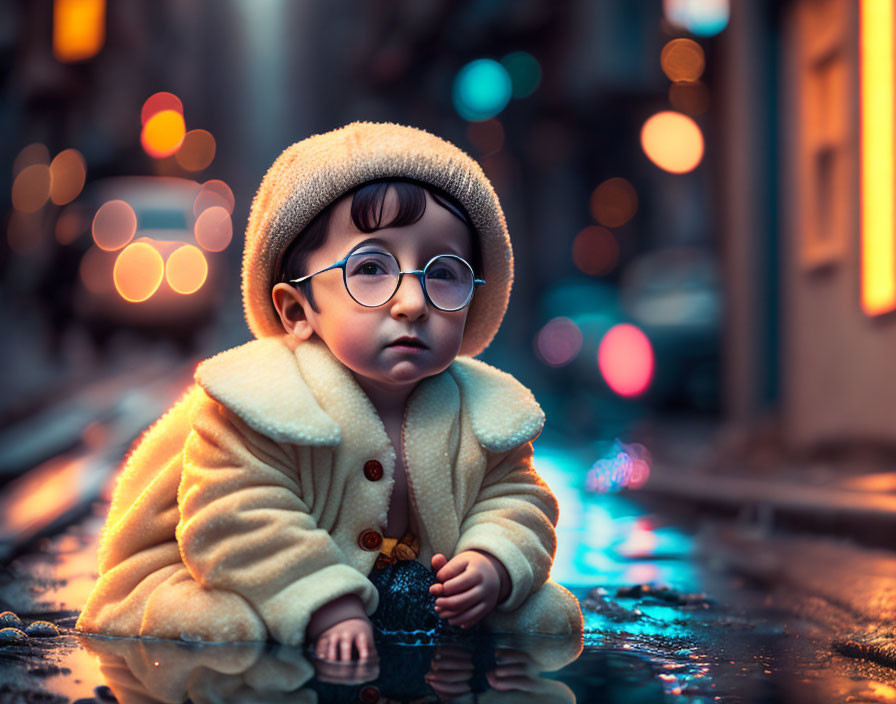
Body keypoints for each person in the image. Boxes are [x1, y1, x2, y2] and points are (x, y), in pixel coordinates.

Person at [76, 122, 584, 662]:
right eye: (370, 267)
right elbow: (235, 516)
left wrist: (493, 562)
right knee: (230, 627)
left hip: (415, 594)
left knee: (548, 617)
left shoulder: (483, 410)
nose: (412, 301)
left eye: (443, 272)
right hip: (233, 574)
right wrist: (326, 602)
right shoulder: (261, 403)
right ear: (298, 311)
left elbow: (519, 499)